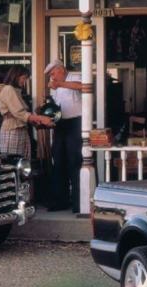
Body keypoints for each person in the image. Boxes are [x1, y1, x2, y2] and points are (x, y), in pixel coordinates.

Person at [44, 60, 83, 212]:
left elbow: (82, 86)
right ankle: (61, 200)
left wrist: (60, 84)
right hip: (60, 124)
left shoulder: (74, 76)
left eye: (53, 73)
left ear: (61, 69)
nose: (52, 77)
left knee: (75, 161)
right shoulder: (55, 85)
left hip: (75, 123)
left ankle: (78, 202)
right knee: (58, 161)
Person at [0, 66, 53, 160]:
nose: (24, 81)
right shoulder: (8, 89)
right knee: (14, 163)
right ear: (15, 76)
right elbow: (19, 113)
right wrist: (41, 118)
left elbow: (22, 115)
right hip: (13, 131)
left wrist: (38, 124)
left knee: (24, 164)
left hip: (21, 130)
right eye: (23, 78)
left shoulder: (16, 91)